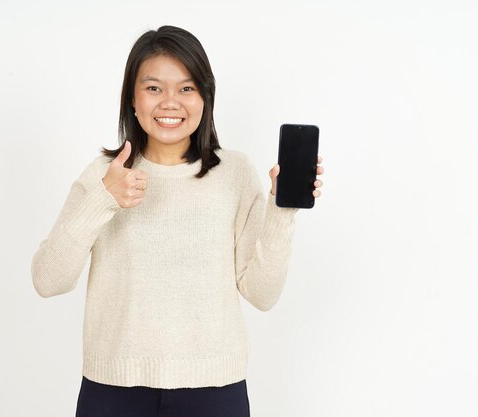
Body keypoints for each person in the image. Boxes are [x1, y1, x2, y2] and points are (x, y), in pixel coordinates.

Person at [31, 25, 324, 417]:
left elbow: (262, 294)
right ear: (132, 99)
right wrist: (104, 199)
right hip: (114, 390)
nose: (170, 102)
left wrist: (281, 208)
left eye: (186, 88)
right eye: (154, 88)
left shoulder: (234, 173)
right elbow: (48, 280)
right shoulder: (105, 174)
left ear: (205, 98)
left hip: (214, 391)